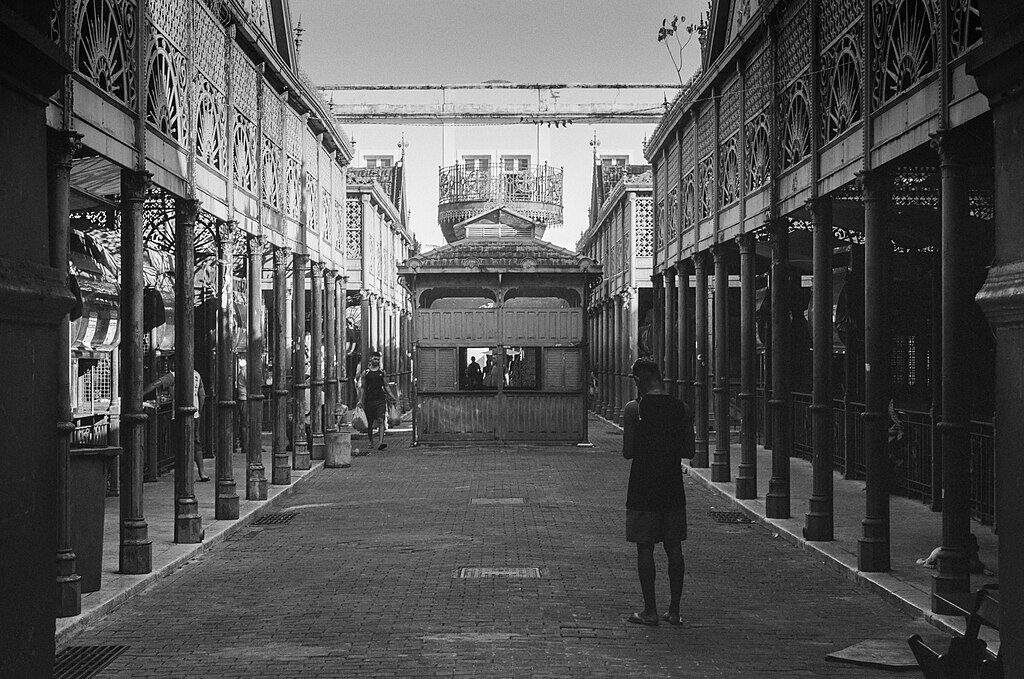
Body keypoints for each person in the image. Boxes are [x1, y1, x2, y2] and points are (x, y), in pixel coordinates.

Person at [621, 356, 694, 626]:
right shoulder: (681, 408)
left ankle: (650, 610)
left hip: (642, 486)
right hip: (673, 486)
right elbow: (690, 451)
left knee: (645, 548)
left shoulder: (634, 409)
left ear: (640, 380)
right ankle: (674, 610)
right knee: (674, 548)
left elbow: (628, 452)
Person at [144, 368, 210, 481]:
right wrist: (199, 410)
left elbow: (157, 383)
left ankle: (187, 473)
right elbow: (202, 395)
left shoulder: (175, 375)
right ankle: (202, 473)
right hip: (195, 414)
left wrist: (140, 394)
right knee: (196, 443)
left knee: (182, 444)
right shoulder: (197, 375)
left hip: (180, 415)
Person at [357, 350, 390, 452]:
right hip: (369, 400)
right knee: (370, 422)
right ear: (371, 359)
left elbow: (386, 386)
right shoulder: (365, 373)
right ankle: (371, 441)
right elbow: (362, 387)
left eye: (378, 359)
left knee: (381, 420)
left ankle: (380, 442)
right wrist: (360, 400)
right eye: (375, 359)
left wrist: (392, 396)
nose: (376, 361)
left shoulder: (382, 372)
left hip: (380, 399)